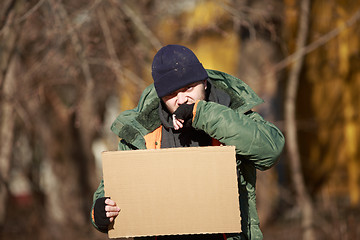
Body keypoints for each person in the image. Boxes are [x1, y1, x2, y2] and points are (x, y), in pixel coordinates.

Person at [90, 44, 285, 240]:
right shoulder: (142, 132)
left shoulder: (234, 112)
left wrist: (202, 113)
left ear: (204, 83)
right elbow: (111, 191)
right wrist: (100, 212)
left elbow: (271, 151)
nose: (182, 99)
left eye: (188, 88)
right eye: (171, 94)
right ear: (161, 98)